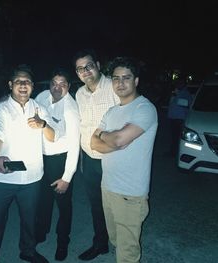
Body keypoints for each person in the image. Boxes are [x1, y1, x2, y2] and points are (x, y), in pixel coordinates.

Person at [0, 64, 56, 263]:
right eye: (19, 81)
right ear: (10, 84)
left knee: (30, 220)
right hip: (2, 177)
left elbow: (52, 136)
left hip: (32, 178)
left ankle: (28, 251)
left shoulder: (40, 108)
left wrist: (44, 124)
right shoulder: (1, 109)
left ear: (32, 86)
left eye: (27, 82)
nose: (23, 85)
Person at [90, 56, 158, 263]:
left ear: (136, 81)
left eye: (126, 78)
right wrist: (109, 138)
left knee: (127, 254)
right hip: (108, 187)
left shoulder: (144, 109)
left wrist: (111, 138)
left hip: (130, 194)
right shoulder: (111, 111)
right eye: (116, 78)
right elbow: (93, 142)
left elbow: (118, 140)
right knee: (116, 241)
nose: (120, 83)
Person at [73, 48, 120, 261]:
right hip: (89, 159)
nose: (85, 71)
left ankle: (122, 245)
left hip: (114, 159)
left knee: (118, 204)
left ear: (98, 65)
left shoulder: (113, 86)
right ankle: (100, 243)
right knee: (96, 204)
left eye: (89, 66)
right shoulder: (79, 94)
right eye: (80, 68)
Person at [35, 68, 80, 261]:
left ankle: (63, 242)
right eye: (54, 83)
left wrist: (67, 177)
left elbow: (74, 146)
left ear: (68, 87)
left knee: (63, 205)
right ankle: (41, 232)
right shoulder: (43, 96)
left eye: (62, 84)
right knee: (43, 200)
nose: (57, 87)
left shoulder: (70, 109)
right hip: (41, 158)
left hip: (60, 160)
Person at [167, 77, 193, 156]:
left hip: (179, 119)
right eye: (177, 83)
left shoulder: (185, 93)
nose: (178, 84)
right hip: (173, 118)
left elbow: (187, 104)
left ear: (184, 84)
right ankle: (173, 152)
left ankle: (176, 153)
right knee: (174, 137)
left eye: (180, 83)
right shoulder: (177, 92)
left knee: (177, 138)